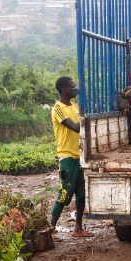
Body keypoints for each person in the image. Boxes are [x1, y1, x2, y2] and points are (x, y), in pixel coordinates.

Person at [50, 76, 89, 237]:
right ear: (64, 90)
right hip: (67, 156)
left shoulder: (74, 106)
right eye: (72, 87)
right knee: (65, 193)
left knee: (81, 194)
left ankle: (78, 228)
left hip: (79, 155)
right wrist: (87, 120)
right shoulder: (57, 109)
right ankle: (51, 226)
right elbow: (75, 127)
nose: (75, 89)